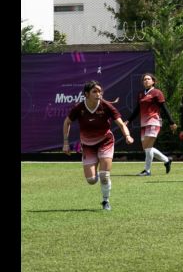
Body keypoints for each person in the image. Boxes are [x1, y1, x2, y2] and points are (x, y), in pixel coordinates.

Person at [62, 80, 134, 211]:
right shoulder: (79, 108)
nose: (98, 94)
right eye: (94, 91)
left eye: (100, 91)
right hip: (87, 145)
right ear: (86, 94)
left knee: (104, 175)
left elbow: (121, 124)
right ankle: (95, 169)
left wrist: (127, 136)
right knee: (91, 180)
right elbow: (67, 122)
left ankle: (106, 201)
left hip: (105, 141)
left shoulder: (106, 106)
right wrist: (66, 143)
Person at [126, 73, 177, 176]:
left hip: (153, 122)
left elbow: (164, 108)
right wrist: (128, 120)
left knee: (147, 147)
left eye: (148, 79)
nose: (146, 81)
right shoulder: (141, 94)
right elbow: (137, 109)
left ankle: (147, 170)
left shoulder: (157, 93)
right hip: (144, 124)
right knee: (147, 148)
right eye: (144, 79)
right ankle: (167, 160)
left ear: (153, 81)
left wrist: (171, 122)